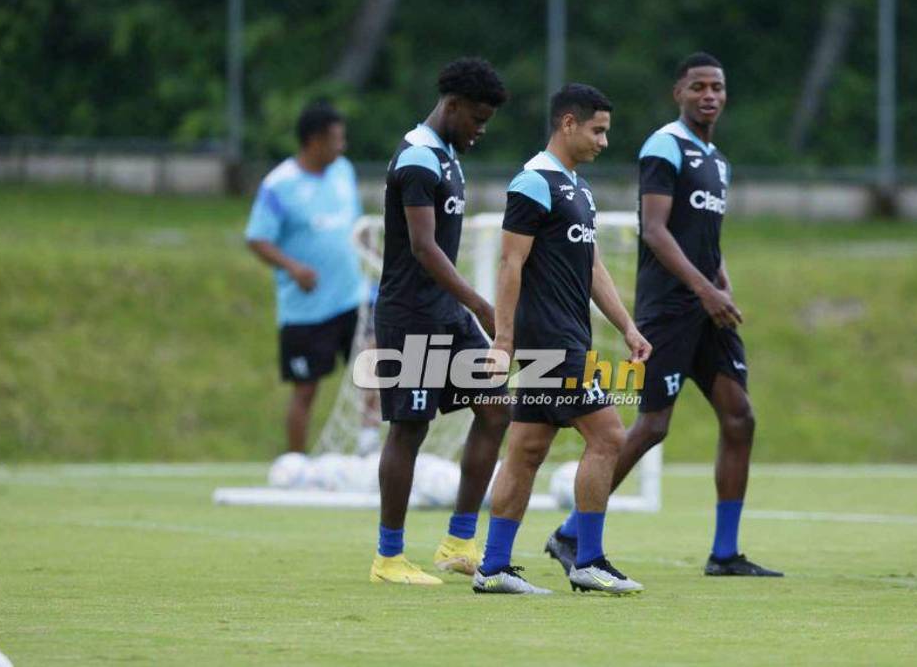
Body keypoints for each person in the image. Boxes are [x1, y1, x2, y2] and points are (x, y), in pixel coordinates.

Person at [545, 53, 780, 578]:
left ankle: (724, 554)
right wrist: (702, 289)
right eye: (698, 86)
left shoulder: (718, 161)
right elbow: (654, 230)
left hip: (707, 308)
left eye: (717, 87)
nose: (709, 95)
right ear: (679, 93)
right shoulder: (663, 147)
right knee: (651, 426)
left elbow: (705, 239)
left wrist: (722, 283)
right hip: (670, 308)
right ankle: (568, 534)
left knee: (740, 416)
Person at [473, 83, 651, 595]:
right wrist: (503, 339)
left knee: (526, 449)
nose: (604, 141)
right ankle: (586, 558)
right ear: (567, 124)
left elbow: (592, 267)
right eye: (597, 130)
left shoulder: (579, 189)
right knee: (610, 437)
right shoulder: (533, 183)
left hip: (568, 337)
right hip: (549, 342)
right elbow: (511, 263)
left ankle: (492, 568)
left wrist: (628, 326)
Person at [369, 57, 512, 585]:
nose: (480, 130)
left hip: (445, 313)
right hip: (411, 315)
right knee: (410, 428)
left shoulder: (448, 155)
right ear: (450, 106)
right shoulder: (418, 160)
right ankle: (388, 558)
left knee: (497, 408)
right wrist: (480, 302)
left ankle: (457, 542)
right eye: (475, 118)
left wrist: (463, 306)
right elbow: (423, 247)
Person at [245, 102, 373, 454]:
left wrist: (371, 252)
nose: (342, 146)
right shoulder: (279, 185)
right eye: (336, 139)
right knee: (305, 389)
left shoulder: (343, 171)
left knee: (373, 363)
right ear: (314, 141)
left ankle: (369, 444)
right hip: (306, 308)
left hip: (351, 295)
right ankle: (296, 462)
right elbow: (256, 238)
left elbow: (355, 226)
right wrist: (292, 267)